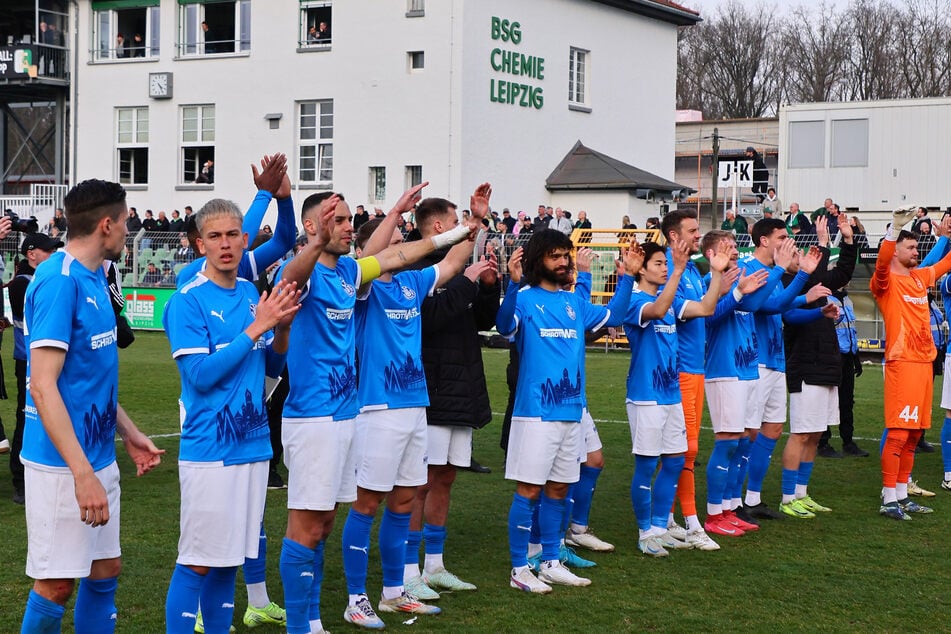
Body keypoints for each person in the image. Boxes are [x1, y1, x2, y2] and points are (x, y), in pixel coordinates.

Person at [276, 183, 484, 634]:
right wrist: (313, 242)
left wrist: (466, 228)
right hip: (319, 417)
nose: (347, 227)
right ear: (312, 227)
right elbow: (291, 278)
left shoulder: (349, 274)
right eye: (339, 219)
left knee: (328, 521)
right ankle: (314, 618)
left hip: (348, 413)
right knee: (310, 525)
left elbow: (410, 255)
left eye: (351, 219)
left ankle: (331, 614)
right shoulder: (308, 272)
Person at [340, 189, 490, 628]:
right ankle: (355, 598)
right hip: (377, 410)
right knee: (367, 503)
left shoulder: (412, 282)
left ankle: (392, 593)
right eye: (397, 244)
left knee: (404, 502)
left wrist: (473, 222)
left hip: (415, 406)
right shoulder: (362, 286)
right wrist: (395, 214)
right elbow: (369, 255)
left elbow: (452, 263)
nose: (406, 249)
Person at [19, 179, 163, 633]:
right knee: (57, 585)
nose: (127, 231)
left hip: (98, 455)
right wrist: (82, 475)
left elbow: (89, 378)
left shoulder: (98, 276)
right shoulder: (59, 283)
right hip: (62, 467)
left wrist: (128, 431)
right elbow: (43, 386)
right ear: (106, 224)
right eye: (124, 222)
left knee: (105, 570)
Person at [163, 199, 301, 634]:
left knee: (227, 565)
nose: (226, 244)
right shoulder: (187, 301)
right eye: (215, 236)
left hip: (254, 446)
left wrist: (281, 330)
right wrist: (256, 328)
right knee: (198, 563)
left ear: (245, 239)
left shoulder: (248, 294)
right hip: (211, 452)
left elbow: (272, 370)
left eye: (233, 235)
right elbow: (200, 376)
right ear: (199, 243)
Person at [498, 230, 637, 593]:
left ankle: (549, 562)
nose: (564, 262)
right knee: (529, 490)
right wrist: (512, 287)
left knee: (559, 488)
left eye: (566, 256)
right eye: (555, 256)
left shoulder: (574, 301)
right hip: (536, 413)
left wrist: (628, 278)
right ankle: (518, 569)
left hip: (571, 411)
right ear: (537, 260)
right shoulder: (525, 299)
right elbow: (502, 327)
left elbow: (614, 314)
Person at [401, 195, 501, 600]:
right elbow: (432, 318)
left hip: (461, 387)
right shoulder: (415, 267)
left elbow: (482, 320)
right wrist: (466, 278)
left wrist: (488, 287)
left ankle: (435, 566)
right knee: (418, 484)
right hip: (433, 388)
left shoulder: (454, 270)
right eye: (457, 220)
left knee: (445, 478)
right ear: (439, 228)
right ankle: (408, 572)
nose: (462, 225)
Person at [626, 238, 729, 557]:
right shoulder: (636, 300)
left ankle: (661, 526)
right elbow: (656, 310)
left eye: (665, 263)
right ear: (640, 269)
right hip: (646, 397)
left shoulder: (671, 301)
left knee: (674, 460)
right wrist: (678, 271)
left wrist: (715, 274)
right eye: (657, 263)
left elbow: (706, 308)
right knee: (646, 465)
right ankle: (645, 531)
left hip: (671, 395)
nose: (664, 268)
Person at [740, 219, 827, 522]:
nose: (787, 242)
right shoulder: (748, 267)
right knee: (748, 433)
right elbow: (764, 306)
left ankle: (753, 498)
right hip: (756, 360)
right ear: (764, 240)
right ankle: (731, 501)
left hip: (776, 360)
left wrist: (812, 303)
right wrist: (801, 277)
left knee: (773, 430)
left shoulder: (776, 273)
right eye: (781, 237)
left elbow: (784, 310)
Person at [872, 206, 951, 520]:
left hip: (923, 363)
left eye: (917, 246)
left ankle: (902, 494)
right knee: (898, 433)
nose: (917, 250)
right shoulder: (885, 281)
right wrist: (893, 230)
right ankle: (888, 497)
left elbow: (945, 263)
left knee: (915, 434)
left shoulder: (920, 277)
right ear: (895, 253)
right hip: (901, 362)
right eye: (911, 247)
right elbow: (879, 265)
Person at [779, 215, 858, 517]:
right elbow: (789, 316)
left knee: (814, 434)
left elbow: (844, 271)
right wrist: (822, 245)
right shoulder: (787, 285)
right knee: (800, 433)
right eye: (796, 254)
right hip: (805, 367)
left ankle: (802, 493)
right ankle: (788, 498)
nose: (801, 258)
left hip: (827, 365)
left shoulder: (815, 281)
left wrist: (848, 240)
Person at [660, 210, 728, 550]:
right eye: (692, 230)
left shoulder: (691, 272)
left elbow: (710, 306)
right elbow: (702, 309)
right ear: (674, 237)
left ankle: (668, 519)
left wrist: (718, 279)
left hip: (696, 370)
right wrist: (717, 277)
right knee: (686, 450)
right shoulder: (671, 272)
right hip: (681, 370)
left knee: (681, 450)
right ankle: (691, 523)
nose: (697, 235)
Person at [700, 230, 770, 538]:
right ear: (710, 255)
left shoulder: (742, 279)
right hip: (724, 370)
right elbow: (711, 317)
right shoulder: (710, 283)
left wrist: (746, 290)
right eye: (725, 247)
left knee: (745, 440)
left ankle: (730, 507)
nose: (733, 251)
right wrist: (738, 293)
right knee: (727, 441)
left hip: (746, 367)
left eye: (733, 246)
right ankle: (714, 513)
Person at [8, 227, 46, 505]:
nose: (54, 254)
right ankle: (20, 480)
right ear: (32, 254)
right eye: (48, 250)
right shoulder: (22, 282)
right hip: (27, 361)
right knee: (27, 418)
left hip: (42, 358)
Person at [818, 283, 869, 458]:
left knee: (847, 401)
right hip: (832, 356)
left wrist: (856, 357)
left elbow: (851, 329)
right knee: (828, 400)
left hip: (847, 356)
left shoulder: (847, 299)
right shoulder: (824, 298)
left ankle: (848, 442)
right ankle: (823, 442)